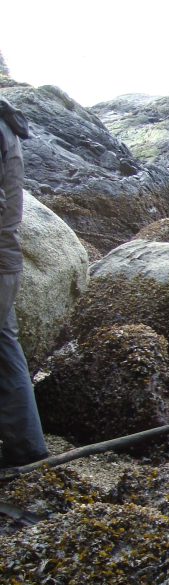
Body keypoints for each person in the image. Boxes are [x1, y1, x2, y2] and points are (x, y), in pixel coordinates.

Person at [0, 98, 47, 468]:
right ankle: (27, 448)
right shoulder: (6, 127)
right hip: (6, 262)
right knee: (5, 351)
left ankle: (27, 448)